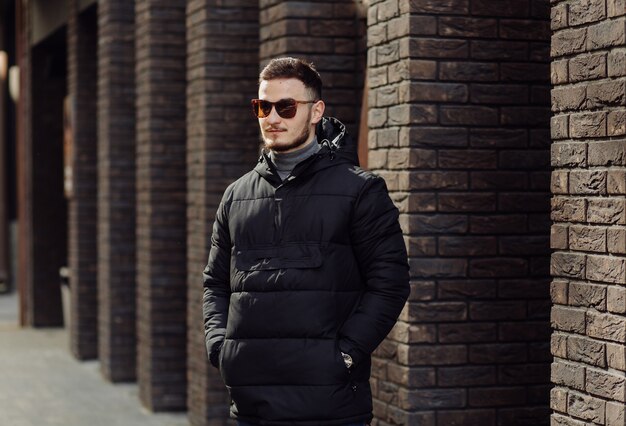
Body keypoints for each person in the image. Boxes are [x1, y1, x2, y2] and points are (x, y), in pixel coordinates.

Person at [203, 57, 410, 426]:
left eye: (286, 106)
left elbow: (390, 284)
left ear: (316, 111)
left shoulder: (360, 191)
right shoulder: (236, 196)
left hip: (329, 406)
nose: (272, 117)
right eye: (262, 106)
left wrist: (345, 355)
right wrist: (222, 348)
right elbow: (215, 284)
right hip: (251, 407)